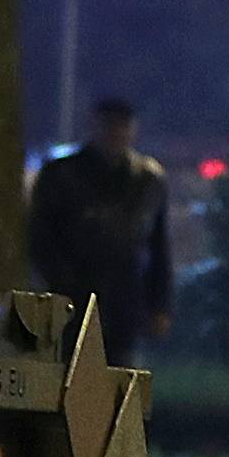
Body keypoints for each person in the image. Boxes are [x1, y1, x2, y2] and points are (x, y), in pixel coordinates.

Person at [27, 97, 172, 361]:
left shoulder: (147, 180)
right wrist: (59, 281)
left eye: (122, 126)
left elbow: (158, 247)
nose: (115, 133)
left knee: (117, 370)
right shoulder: (61, 174)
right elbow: (41, 238)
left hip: (123, 299)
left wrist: (158, 304)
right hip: (73, 294)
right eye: (110, 125)